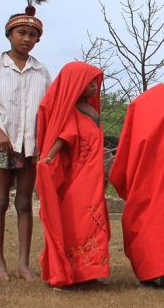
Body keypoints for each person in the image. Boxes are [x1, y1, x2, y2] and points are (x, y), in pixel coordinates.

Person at [0, 7, 51, 281]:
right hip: (1, 143)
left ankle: (24, 265)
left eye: (33, 35)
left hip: (30, 147)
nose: (27, 39)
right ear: (9, 34)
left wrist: (42, 141)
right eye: (21, 33)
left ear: (38, 40)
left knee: (25, 203)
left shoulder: (42, 72)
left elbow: (47, 109)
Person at [109, 83, 164, 288]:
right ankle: (150, 273)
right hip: (146, 188)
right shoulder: (148, 121)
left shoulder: (151, 119)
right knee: (153, 227)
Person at [35, 61, 110, 287]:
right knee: (81, 220)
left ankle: (91, 271)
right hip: (79, 174)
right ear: (76, 84)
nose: (95, 87)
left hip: (95, 173)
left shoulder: (92, 110)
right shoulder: (71, 112)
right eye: (90, 83)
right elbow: (63, 137)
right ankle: (76, 271)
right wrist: (48, 157)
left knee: (96, 221)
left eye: (96, 83)